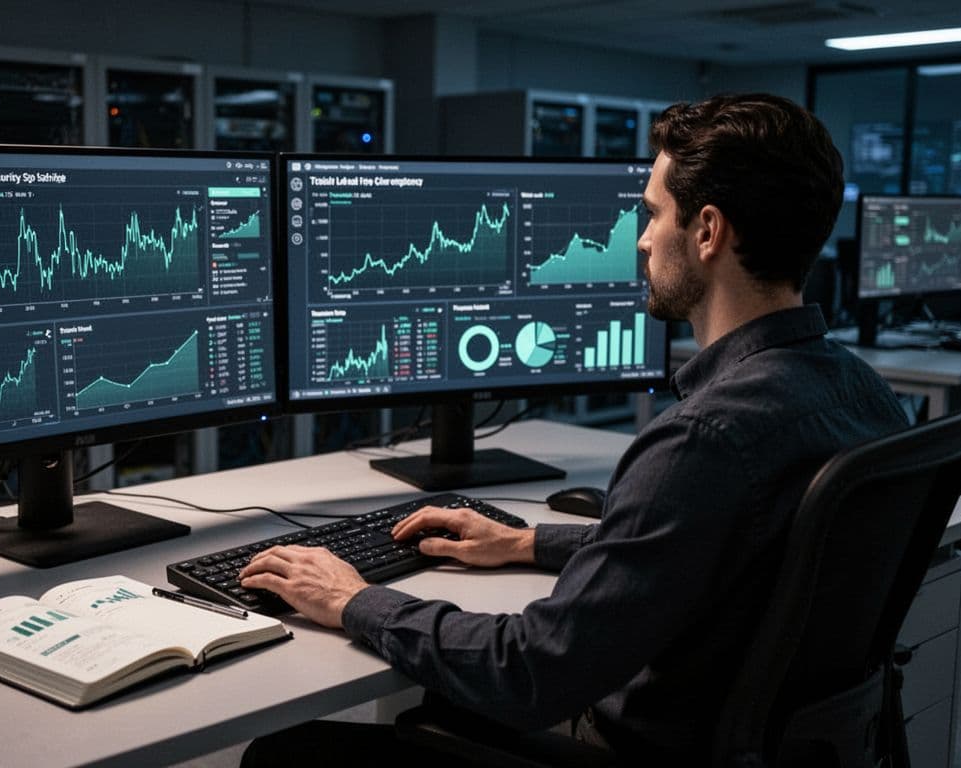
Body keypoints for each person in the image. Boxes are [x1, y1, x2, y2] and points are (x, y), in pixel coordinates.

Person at [237, 93, 912, 765]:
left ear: (707, 231)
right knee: (437, 704)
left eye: (652, 215)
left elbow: (531, 674)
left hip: (636, 745)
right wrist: (529, 541)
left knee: (287, 753)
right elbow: (721, 545)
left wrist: (354, 599)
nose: (643, 239)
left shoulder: (705, 439)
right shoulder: (866, 395)